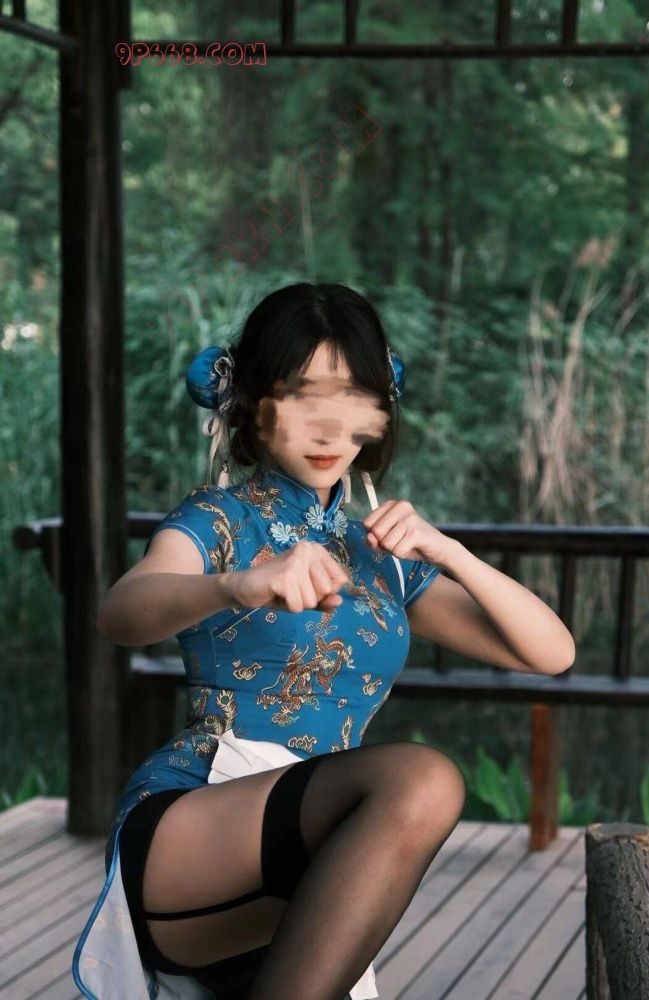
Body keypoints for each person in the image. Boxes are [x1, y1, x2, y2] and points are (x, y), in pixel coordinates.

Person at [72, 281, 467, 1000]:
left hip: (311, 848)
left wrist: (452, 551)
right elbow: (122, 612)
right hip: (197, 820)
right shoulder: (218, 518)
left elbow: (550, 653)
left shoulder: (378, 556)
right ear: (256, 405)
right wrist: (237, 585)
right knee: (421, 779)